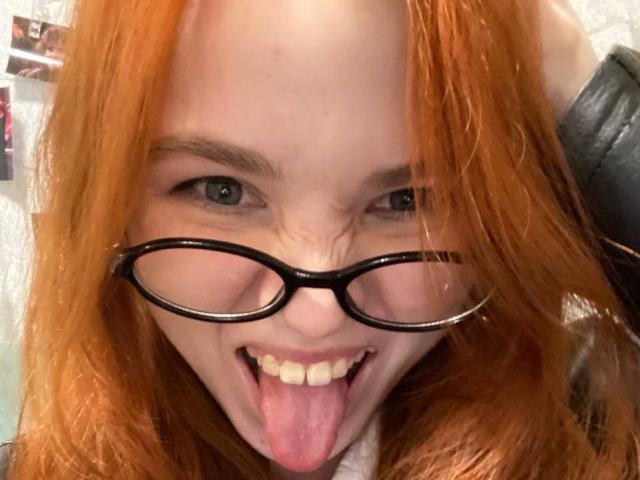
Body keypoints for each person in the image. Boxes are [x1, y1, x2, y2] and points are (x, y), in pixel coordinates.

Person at [2, 0, 640, 478]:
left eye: (408, 200)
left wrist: (574, 84)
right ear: (113, 205)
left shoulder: (588, 435)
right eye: (222, 191)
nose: (316, 316)